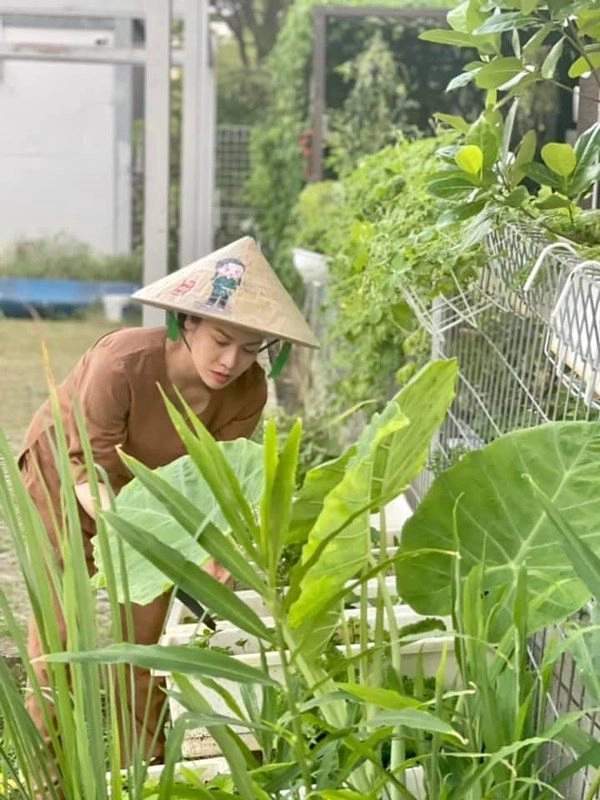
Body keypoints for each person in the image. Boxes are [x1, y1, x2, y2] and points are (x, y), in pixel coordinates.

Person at [18, 236, 318, 774]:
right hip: (65, 479)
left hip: (155, 500)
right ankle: (46, 776)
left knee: (147, 641)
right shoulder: (122, 363)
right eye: (222, 340)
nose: (232, 361)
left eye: (251, 349)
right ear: (187, 322)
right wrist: (128, 541)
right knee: (63, 635)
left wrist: (213, 554)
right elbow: (91, 469)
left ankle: (150, 770)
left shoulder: (247, 392)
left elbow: (216, 482)